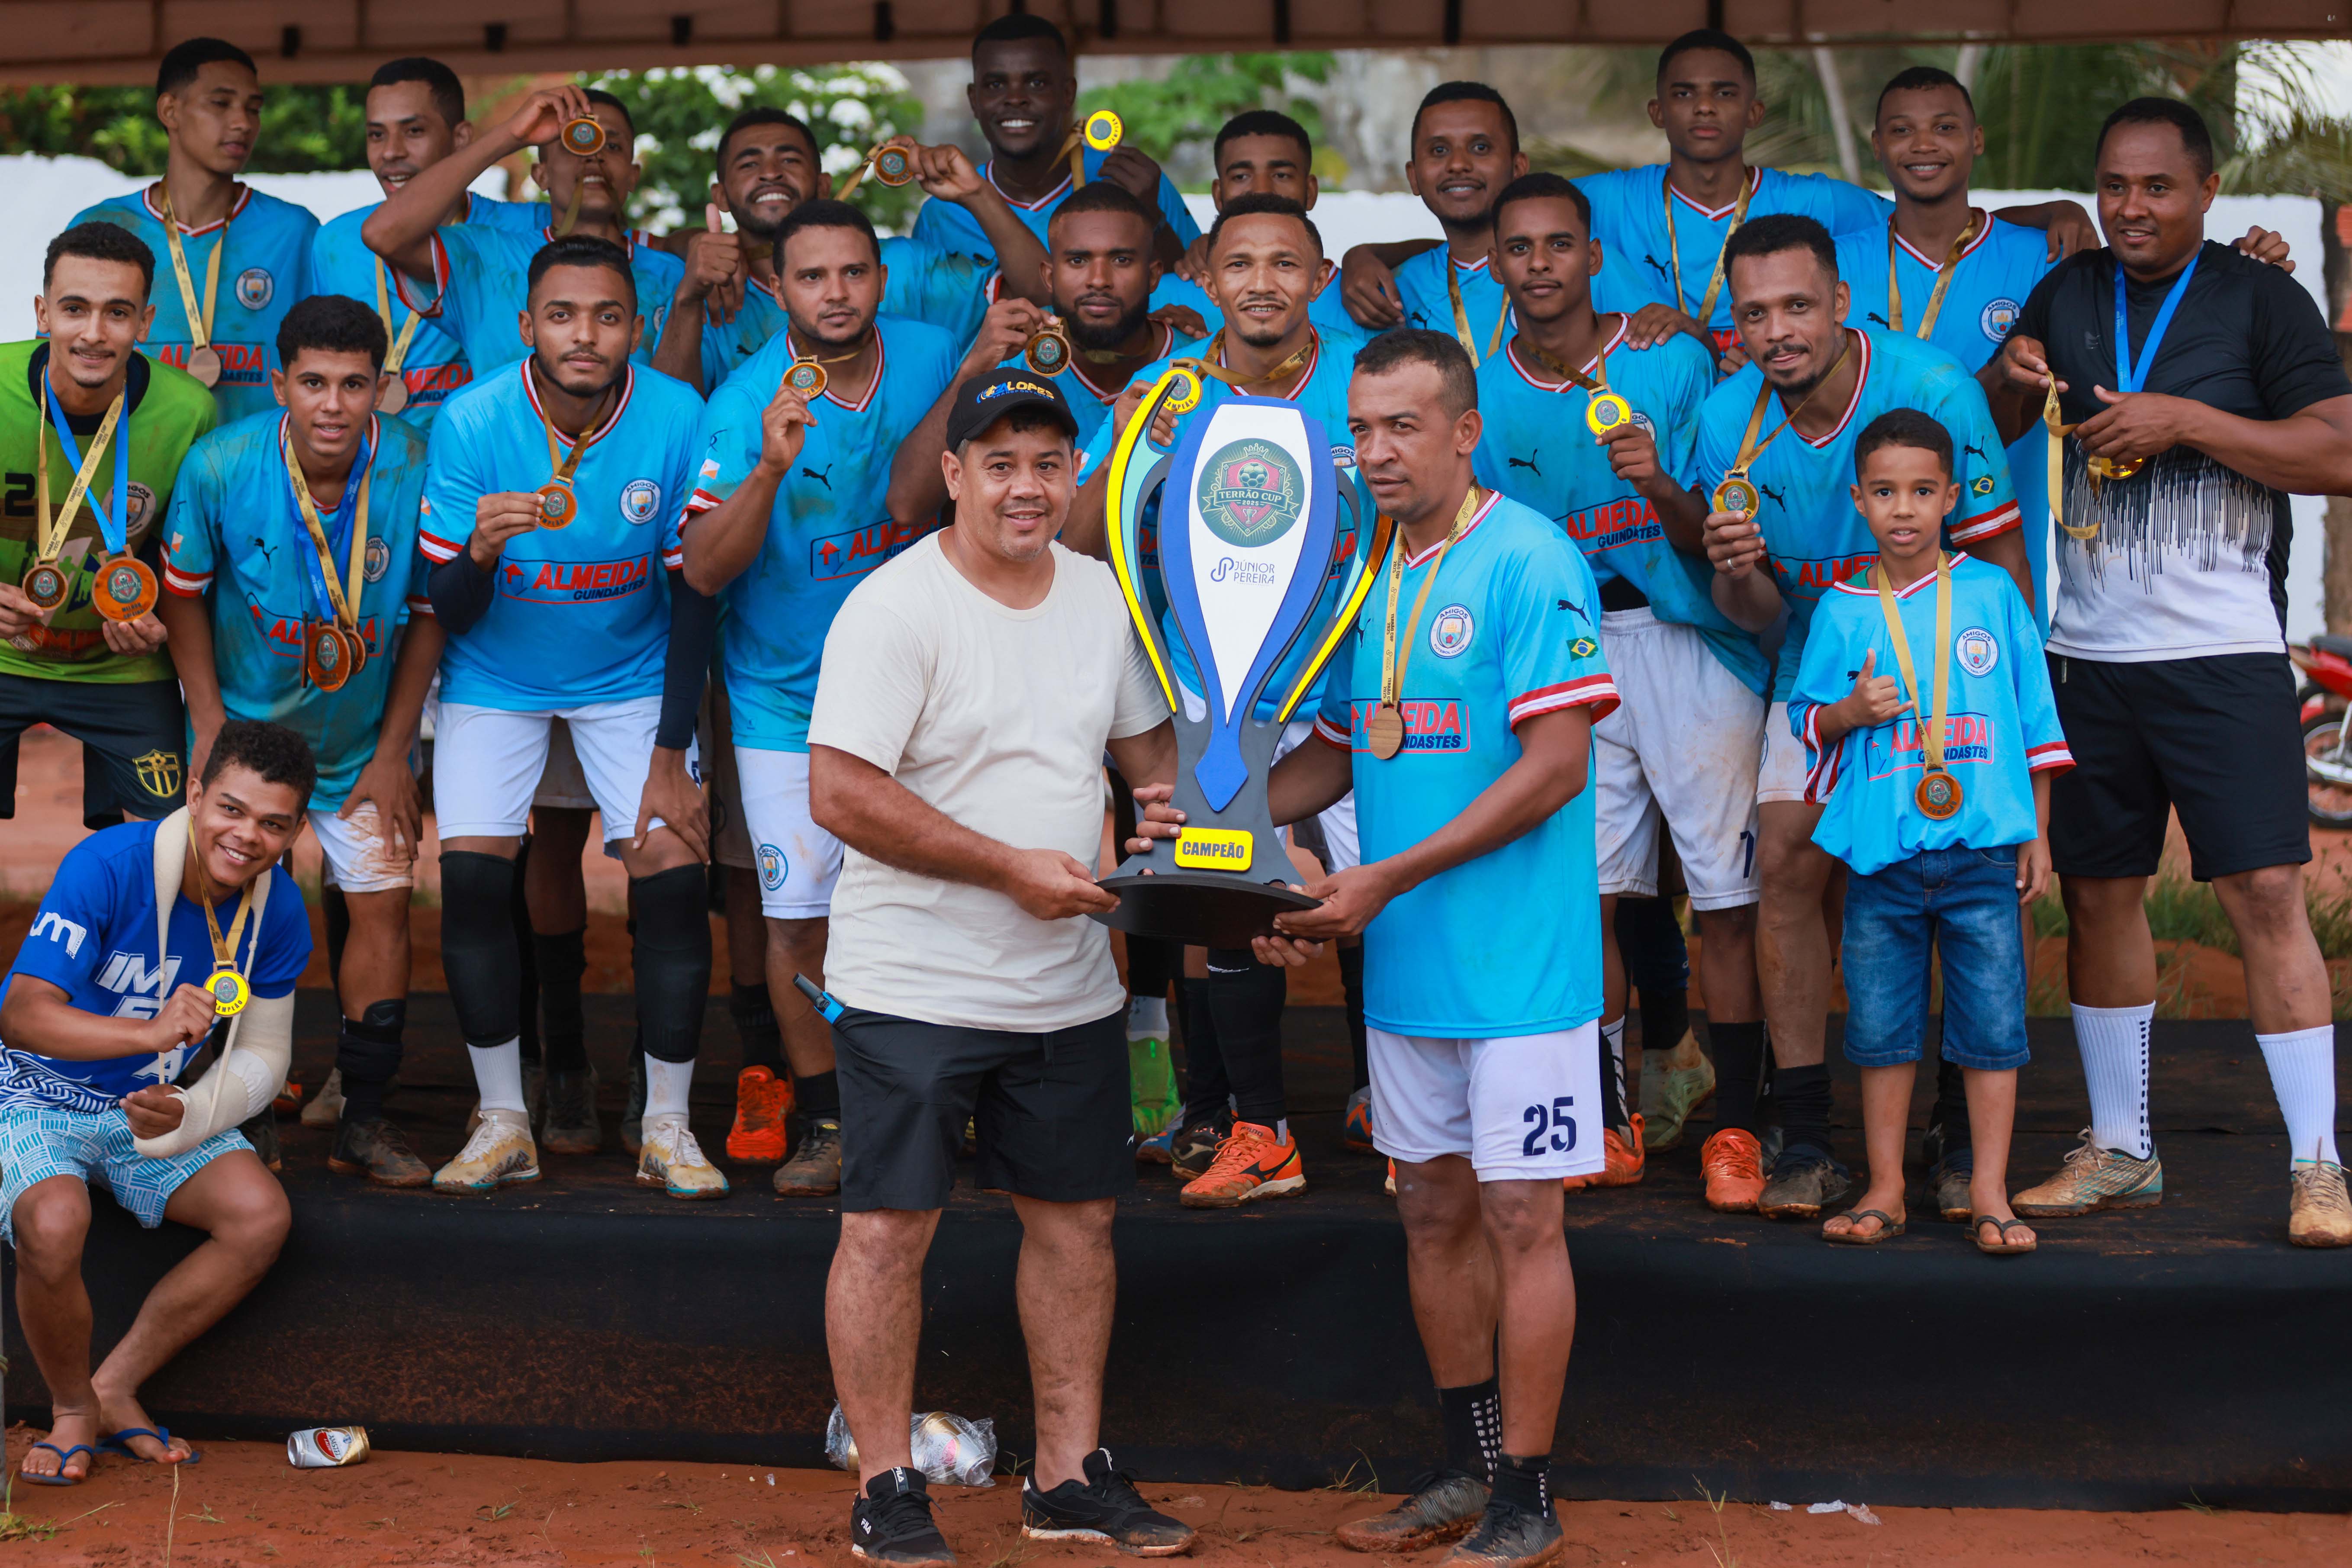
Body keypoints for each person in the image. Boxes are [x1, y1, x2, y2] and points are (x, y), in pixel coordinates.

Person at [1158, 328, 1616, 1568]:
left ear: (1463, 432)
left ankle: (1527, 1486)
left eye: (1400, 427)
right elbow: (1338, 753)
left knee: (1522, 1217)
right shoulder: (1361, 573)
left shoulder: (1530, 555)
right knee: (1428, 1209)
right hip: (1406, 962)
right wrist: (1209, 820)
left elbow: (1556, 766)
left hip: (1520, 965)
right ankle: (1463, 1464)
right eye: (1359, 430)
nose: (1373, 453)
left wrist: (1383, 876)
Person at [807, 373, 1192, 1565]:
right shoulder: (893, 607)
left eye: (1047, 460)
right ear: (954, 474)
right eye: (1001, 460)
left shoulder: (1098, 597)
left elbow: (1148, 757)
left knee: (1077, 1225)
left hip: (1067, 982)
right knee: (887, 1230)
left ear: (1072, 475)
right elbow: (841, 793)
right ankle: (885, 1483)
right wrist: (1005, 866)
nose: (1026, 484)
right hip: (913, 982)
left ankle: (1069, 1476)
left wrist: (1183, 822)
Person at [1978, 98, 2352, 1247]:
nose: (2131, 206)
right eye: (2114, 184)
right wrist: (2008, 369)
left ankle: (2317, 1163)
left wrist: (2185, 416)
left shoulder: (2259, 297)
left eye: (2156, 187)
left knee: (2267, 893)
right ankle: (2121, 1149)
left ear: (2204, 191)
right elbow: (1996, 421)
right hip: (2088, 657)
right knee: (2100, 893)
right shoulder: (2070, 291)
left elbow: (2336, 450)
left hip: (2226, 654)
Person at [1699, 213, 2030, 1220]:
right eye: (1753, 313)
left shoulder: (1931, 390)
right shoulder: (1728, 422)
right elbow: (1755, 622)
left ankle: (1958, 1135)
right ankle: (1805, 1136)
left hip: (1949, 684)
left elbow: (1999, 563)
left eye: (1797, 305)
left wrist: (2013, 724)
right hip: (1820, 672)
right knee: (1787, 859)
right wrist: (1737, 570)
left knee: (1973, 873)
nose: (1776, 331)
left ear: (1841, 304)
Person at [1472, 171, 1764, 1190]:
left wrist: (1652, 478)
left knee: (1726, 899)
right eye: (1519, 248)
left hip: (1682, 643)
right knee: (1583, 896)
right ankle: (1606, 1117)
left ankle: (1740, 1124)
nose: (1540, 264)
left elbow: (1714, 537)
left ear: (1596, 256)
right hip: (1567, 657)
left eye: (1560, 245)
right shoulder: (1484, 390)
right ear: (1496, 262)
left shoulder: (1668, 358)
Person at [1073, 193, 1364, 1205]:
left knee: (1379, 900)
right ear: (1203, 278)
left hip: (1347, 688)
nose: (1262, 284)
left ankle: (1389, 1099)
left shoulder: (1367, 386)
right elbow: (1086, 534)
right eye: (1240, 264)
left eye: (1286, 264)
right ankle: (1246, 1119)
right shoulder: (1162, 391)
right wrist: (1123, 448)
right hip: (1212, 693)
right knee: (1224, 897)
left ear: (1319, 280)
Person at [417, 234, 721, 1200]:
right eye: (561, 314)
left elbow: (696, 593)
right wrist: (476, 553)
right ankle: (505, 1116)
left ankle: (666, 1124)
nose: (583, 335)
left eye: (605, 315)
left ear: (634, 324)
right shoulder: (470, 419)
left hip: (630, 673)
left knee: (670, 875)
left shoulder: (676, 413)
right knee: (470, 881)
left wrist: (671, 751)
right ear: (526, 327)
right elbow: (446, 607)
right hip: (494, 676)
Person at [680, 200, 971, 1197]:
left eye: (853, 273)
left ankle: (938, 1104)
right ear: (780, 288)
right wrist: (768, 466)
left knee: (941, 903)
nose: (835, 294)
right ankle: (830, 1118)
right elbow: (705, 572)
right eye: (812, 278)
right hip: (782, 701)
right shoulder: (743, 401)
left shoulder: (939, 353)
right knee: (797, 922)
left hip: (930, 696)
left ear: (881, 278)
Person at [153, 295, 441, 1186]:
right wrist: (209, 729)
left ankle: (364, 1115)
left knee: (383, 899)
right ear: (279, 383)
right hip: (249, 734)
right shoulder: (222, 463)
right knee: (225, 903)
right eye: (312, 382)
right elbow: (183, 595)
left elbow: (429, 616)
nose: (332, 404)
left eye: (354, 384)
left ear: (380, 390)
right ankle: (231, 1110)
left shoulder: (417, 466)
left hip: (360, 744)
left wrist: (396, 751)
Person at [1785, 409, 2071, 1254]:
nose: (1902, 508)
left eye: (1919, 491)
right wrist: (1845, 711)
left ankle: (1986, 1189)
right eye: (1882, 492)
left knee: (1988, 1029)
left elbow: (2032, 722)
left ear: (1950, 495)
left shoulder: (1988, 593)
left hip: (1982, 852)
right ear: (1857, 501)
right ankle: (1883, 1187)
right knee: (1878, 1030)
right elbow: (1804, 720)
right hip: (1882, 858)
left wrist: (2037, 832)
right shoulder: (1840, 609)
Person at [3, 720, 314, 1484]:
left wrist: (192, 1113)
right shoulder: (108, 864)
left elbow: (267, 1055)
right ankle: (73, 1407)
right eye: (232, 810)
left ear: (297, 828)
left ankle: (115, 1383)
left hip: (145, 1104)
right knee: (53, 1219)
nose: (247, 837)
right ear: (196, 792)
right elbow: (21, 1011)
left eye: (273, 823)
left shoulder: (279, 910)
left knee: (260, 1216)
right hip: (34, 1089)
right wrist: (145, 1031)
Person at [1, 225, 216, 831]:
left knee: (179, 835)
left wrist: (152, 620)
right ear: (43, 312)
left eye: (117, 313)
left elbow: (189, 562)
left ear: (145, 322)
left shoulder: (188, 411)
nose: (94, 333)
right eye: (74, 309)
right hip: (3, 651)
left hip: (118, 663)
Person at [653, 107, 1051, 394]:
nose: (771, 172)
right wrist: (689, 298)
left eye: (789, 159)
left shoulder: (902, 265)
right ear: (720, 196)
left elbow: (1041, 291)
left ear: (824, 186)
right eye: (748, 164)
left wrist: (978, 194)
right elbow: (667, 423)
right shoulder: (704, 293)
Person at [69, 39, 319, 424]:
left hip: (256, 474)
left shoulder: (293, 232)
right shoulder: (103, 227)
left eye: (254, 109)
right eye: (221, 104)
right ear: (170, 110)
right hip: (132, 470)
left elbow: (331, 363)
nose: (243, 122)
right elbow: (57, 368)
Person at [363, 84, 685, 377]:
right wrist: (512, 136)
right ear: (540, 175)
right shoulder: (487, 259)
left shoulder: (674, 279)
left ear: (633, 175)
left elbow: (683, 403)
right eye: (573, 141)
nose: (593, 154)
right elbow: (382, 234)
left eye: (612, 146)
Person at [307, 57, 535, 429]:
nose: (391, 151)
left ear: (461, 138)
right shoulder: (336, 242)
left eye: (413, 131)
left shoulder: (521, 229)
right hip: (376, 469)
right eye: (377, 134)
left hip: (481, 469)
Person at [914, 14, 1199, 270]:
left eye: (1037, 83)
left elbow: (1200, 293)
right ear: (974, 101)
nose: (1015, 98)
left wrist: (1150, 216)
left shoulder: (1137, 183)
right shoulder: (943, 212)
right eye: (995, 85)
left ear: (1067, 94)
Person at [1151, 109, 1357, 336]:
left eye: (1281, 175)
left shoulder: (1362, 299)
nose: (1262, 189)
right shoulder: (1159, 298)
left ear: (1310, 191)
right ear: (1218, 195)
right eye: (1241, 177)